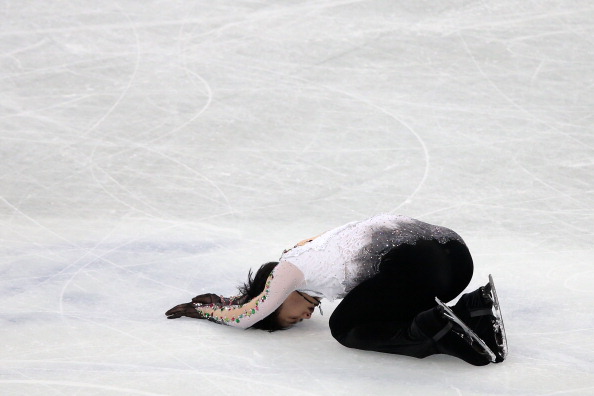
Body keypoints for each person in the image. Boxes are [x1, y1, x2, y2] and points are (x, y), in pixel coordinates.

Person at [166, 214, 506, 366]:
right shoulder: (309, 252)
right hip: (456, 259)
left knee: (344, 327)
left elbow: (245, 316)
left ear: (274, 297)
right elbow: (253, 301)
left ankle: (447, 331)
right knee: (376, 308)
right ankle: (473, 309)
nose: (302, 318)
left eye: (286, 319)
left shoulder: (288, 269)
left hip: (421, 262)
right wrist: (232, 298)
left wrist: (205, 312)